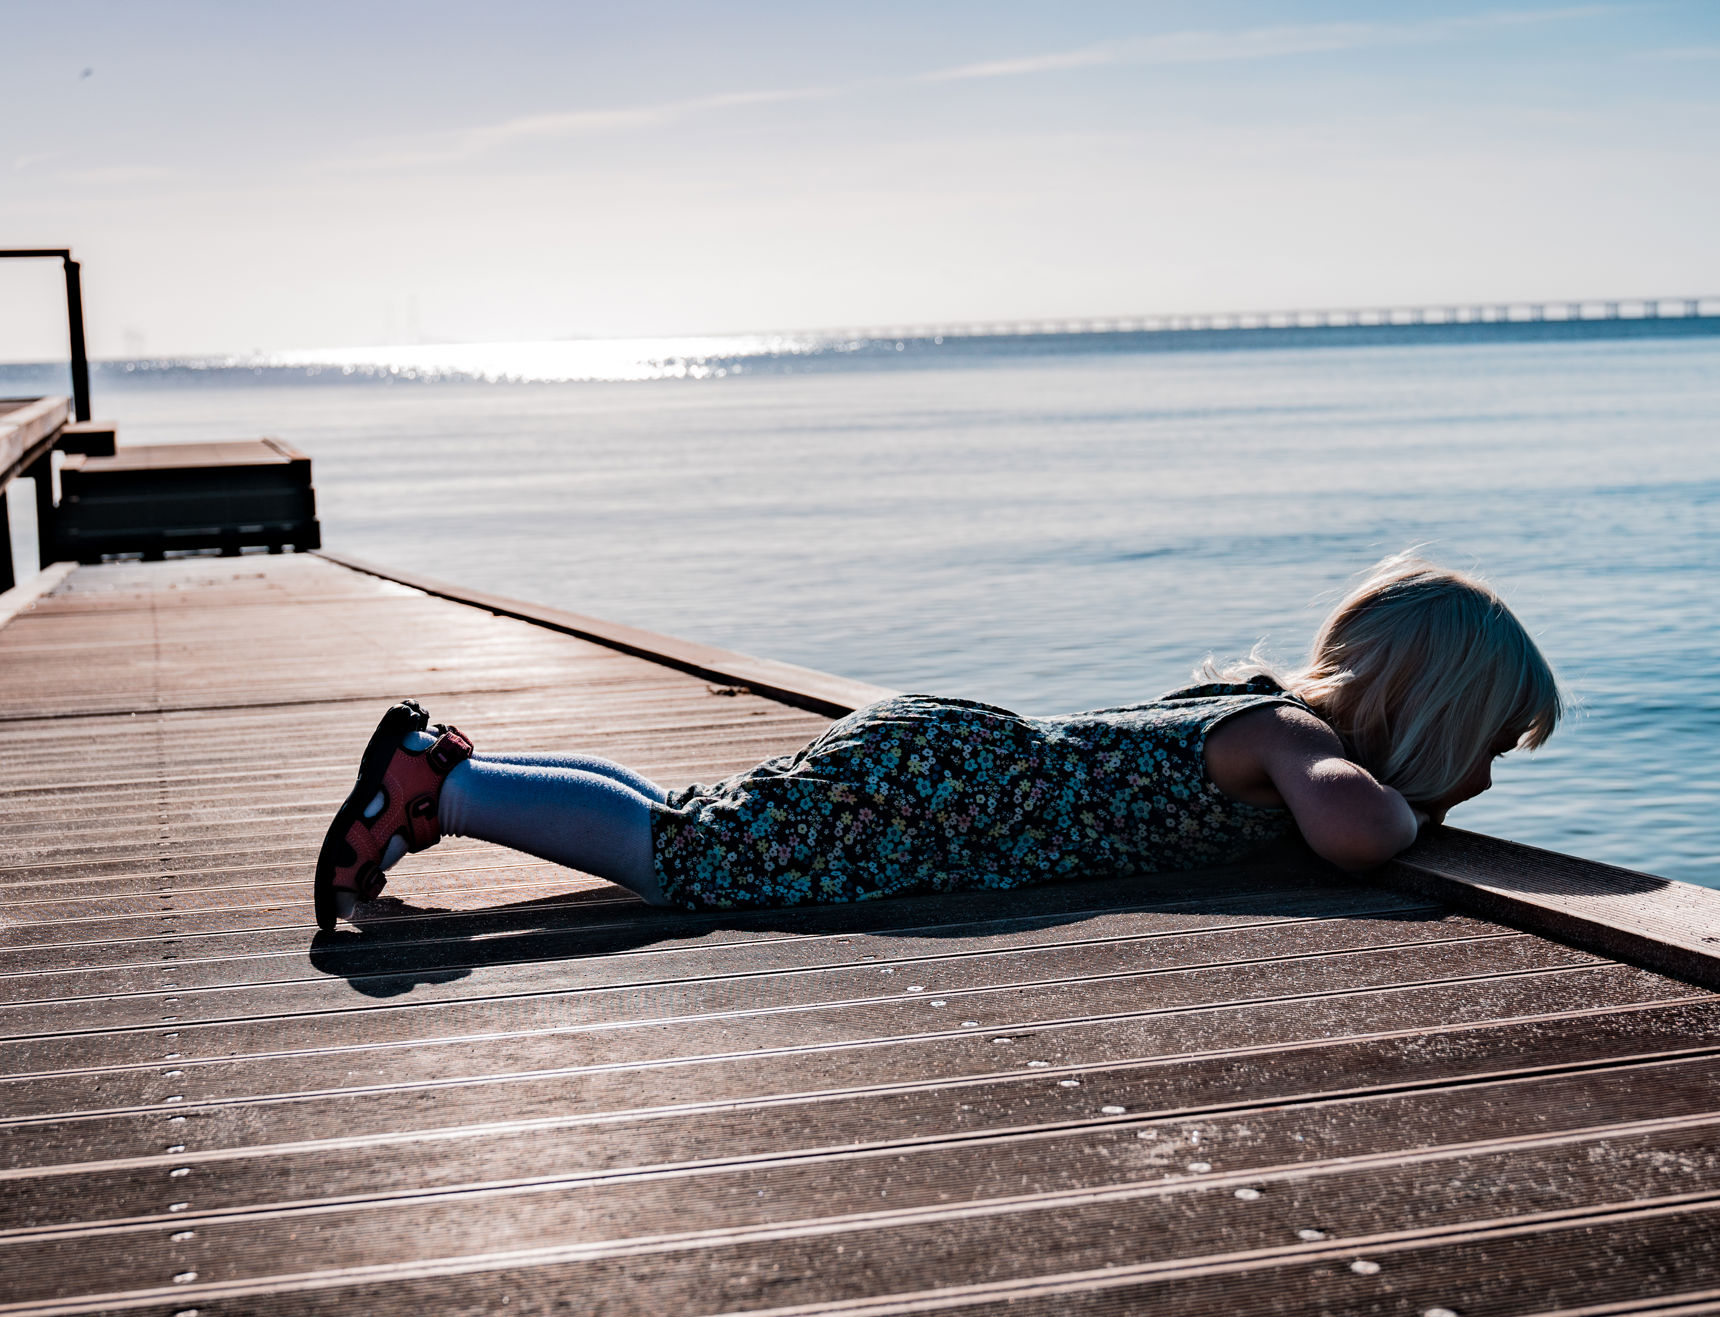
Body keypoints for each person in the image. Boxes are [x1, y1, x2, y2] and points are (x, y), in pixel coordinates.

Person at [313, 553, 1561, 929]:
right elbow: (1356, 832)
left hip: (944, 757)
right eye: (1484, 750)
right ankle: (450, 791)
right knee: (703, 862)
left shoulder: (1245, 702)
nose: (1485, 780)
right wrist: (1414, 816)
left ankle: (446, 775)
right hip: (946, 790)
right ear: (1421, 719)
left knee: (695, 816)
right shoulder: (1287, 737)